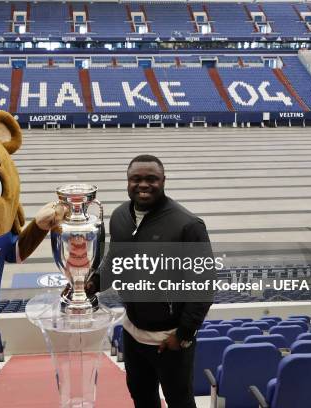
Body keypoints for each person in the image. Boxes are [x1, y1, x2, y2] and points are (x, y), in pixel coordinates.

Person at [87, 154, 213, 408]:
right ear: (127, 182)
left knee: (180, 401)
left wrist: (184, 334)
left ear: (163, 181)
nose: (143, 185)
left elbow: (204, 285)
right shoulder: (121, 215)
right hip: (133, 332)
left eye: (151, 179)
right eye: (136, 179)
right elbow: (115, 261)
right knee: (141, 397)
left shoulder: (187, 225)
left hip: (170, 340)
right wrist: (90, 284)